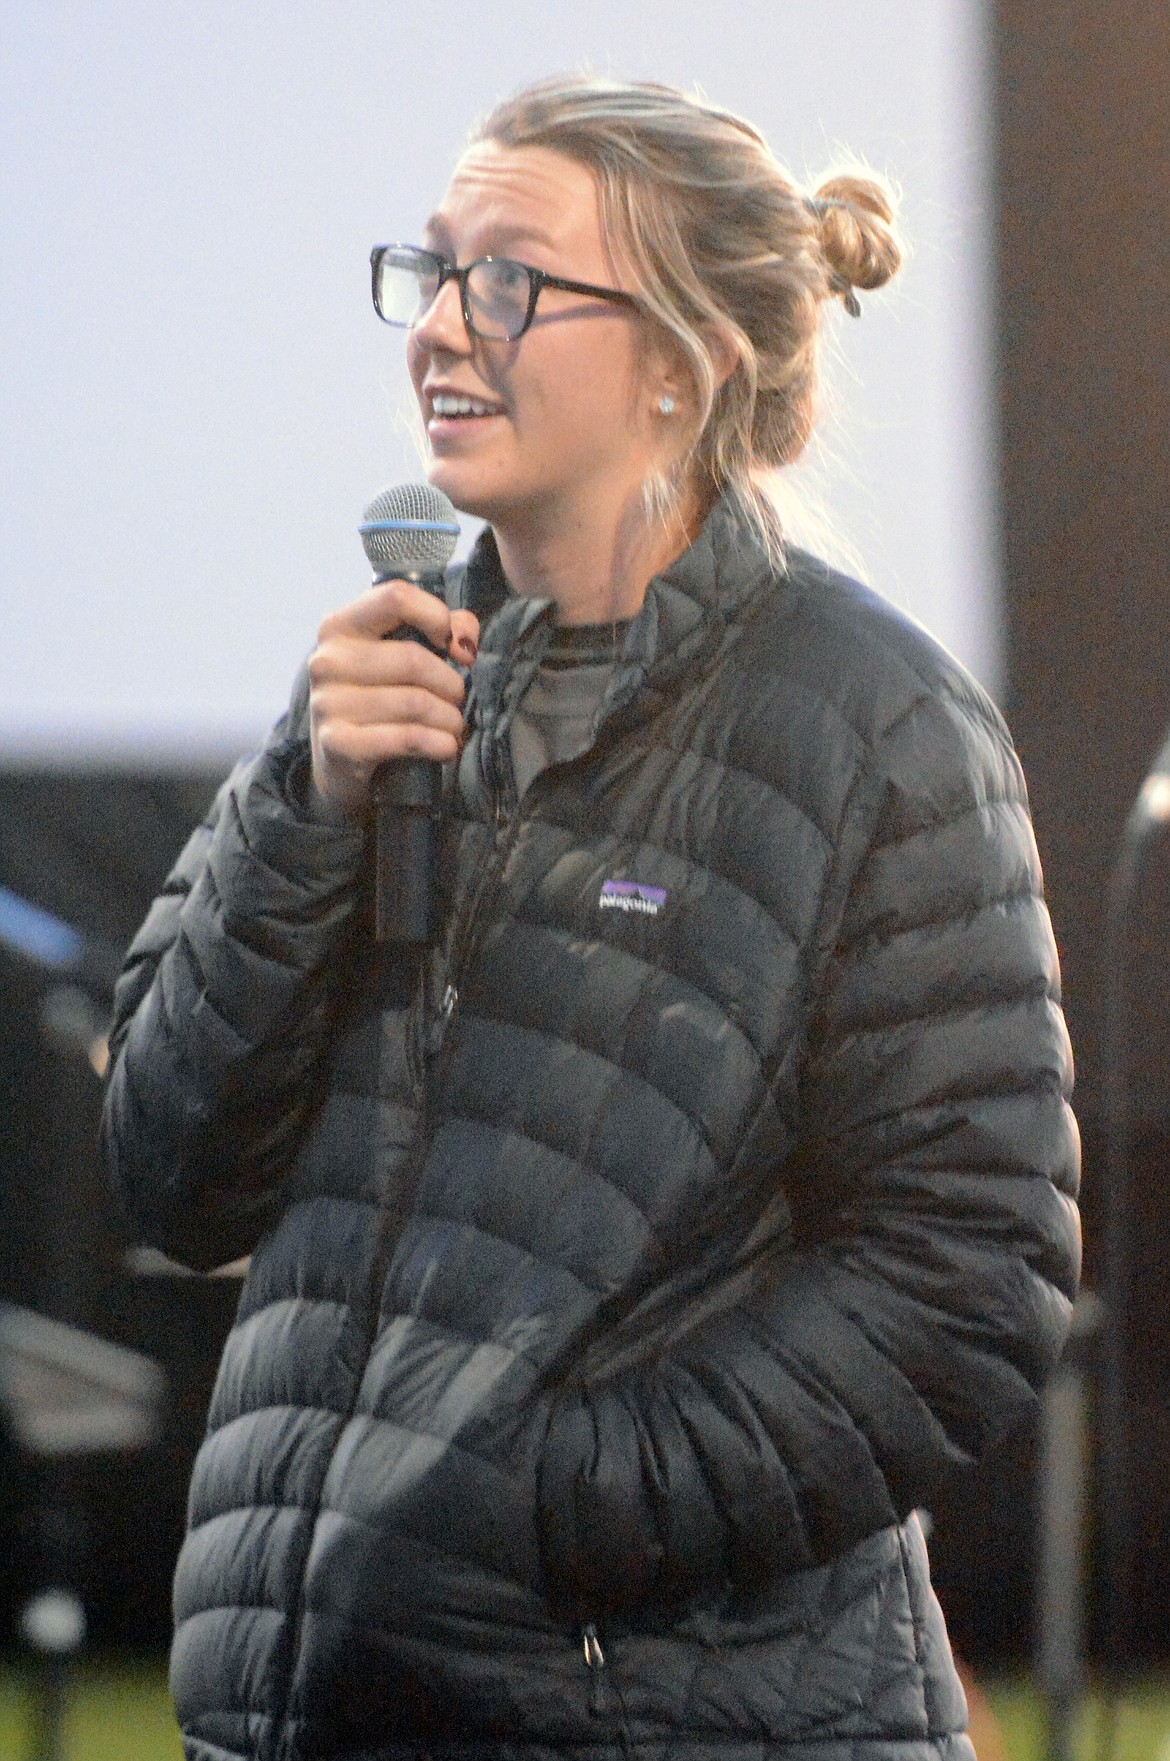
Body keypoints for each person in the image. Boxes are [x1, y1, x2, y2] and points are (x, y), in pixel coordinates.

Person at [102, 75, 1080, 1761]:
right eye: (432, 268)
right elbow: (169, 1173)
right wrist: (303, 815)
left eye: (512, 279)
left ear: (680, 360)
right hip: (305, 1714)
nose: (439, 329)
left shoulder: (873, 723)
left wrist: (542, 1510)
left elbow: (967, 1275)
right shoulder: (370, 691)